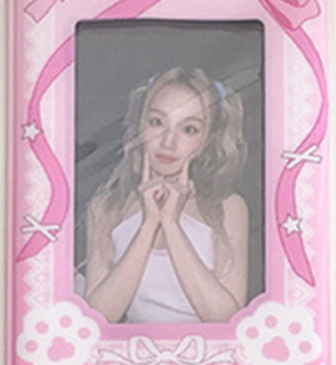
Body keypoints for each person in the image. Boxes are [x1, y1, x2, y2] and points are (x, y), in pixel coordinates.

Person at [82, 66, 250, 325]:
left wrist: (171, 224)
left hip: (205, 350)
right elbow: (97, 319)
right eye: (157, 122)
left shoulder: (227, 207)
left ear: (206, 139)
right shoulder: (106, 207)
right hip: (135, 349)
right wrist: (149, 224)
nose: (168, 142)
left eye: (189, 129)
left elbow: (227, 320)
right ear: (140, 125)